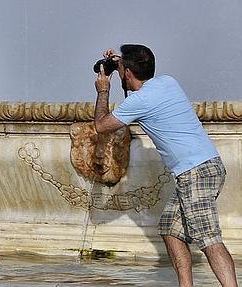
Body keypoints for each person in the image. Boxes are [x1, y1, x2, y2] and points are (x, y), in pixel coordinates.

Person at [93, 44, 238, 287]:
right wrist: (120, 62)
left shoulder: (139, 101)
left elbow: (101, 125)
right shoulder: (168, 82)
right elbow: (139, 66)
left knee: (209, 238)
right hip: (203, 167)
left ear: (127, 72)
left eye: (122, 69)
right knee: (171, 231)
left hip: (195, 172)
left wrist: (103, 90)